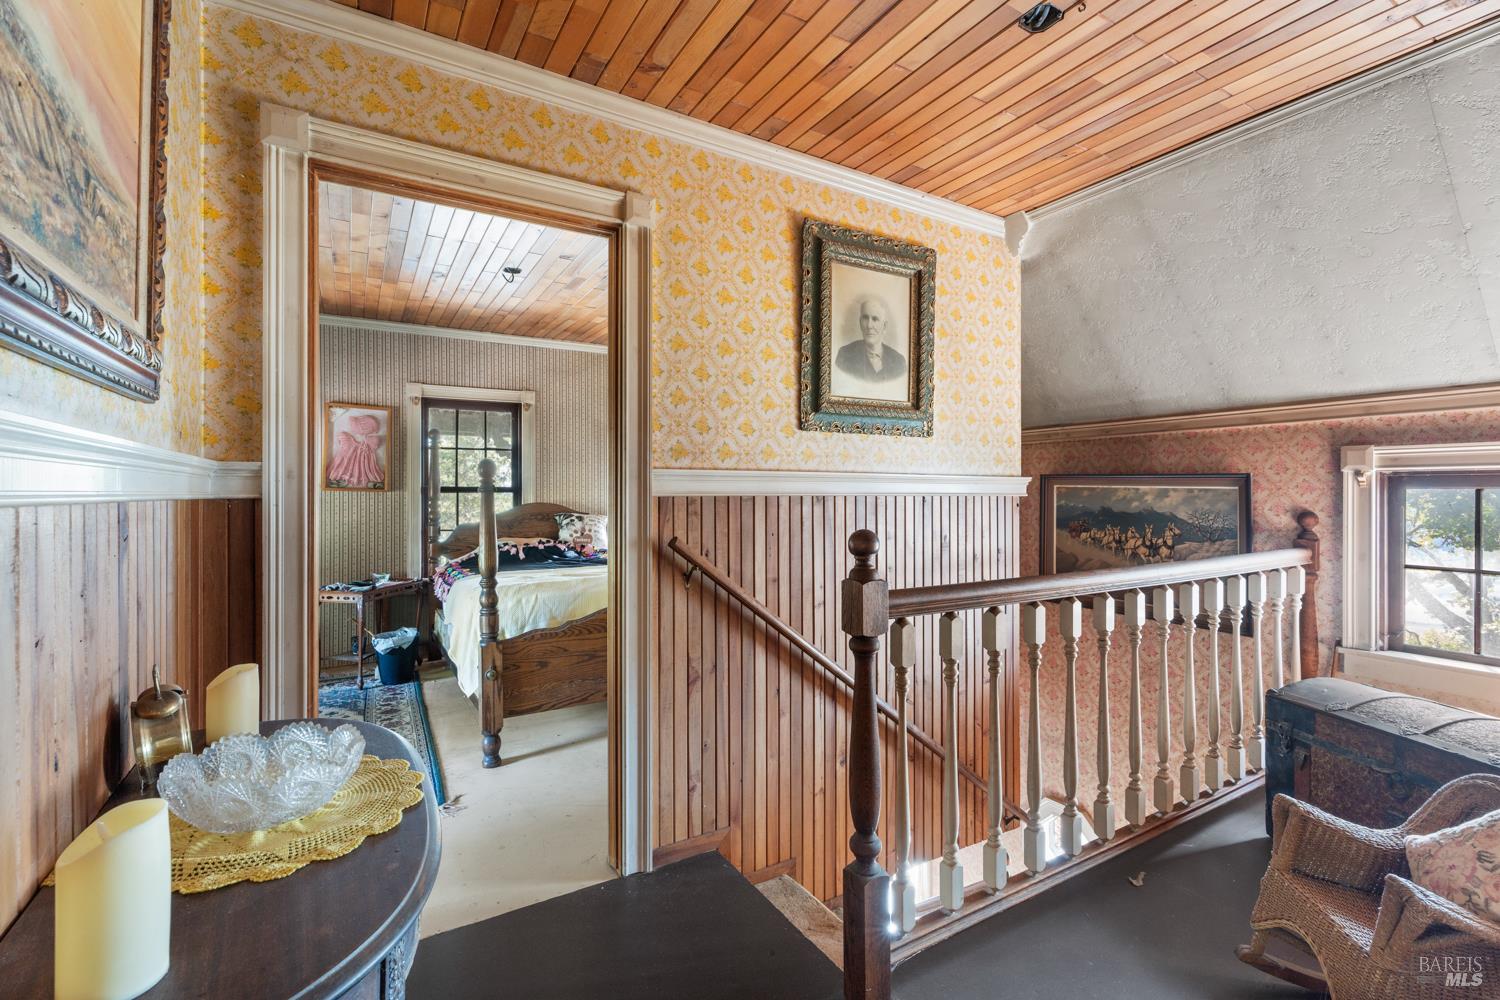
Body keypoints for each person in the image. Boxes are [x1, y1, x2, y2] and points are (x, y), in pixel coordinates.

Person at [834, 295, 907, 383]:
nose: (869, 326)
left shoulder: (898, 361)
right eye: (865, 318)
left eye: (875, 319)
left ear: (884, 326)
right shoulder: (845, 355)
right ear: (860, 322)